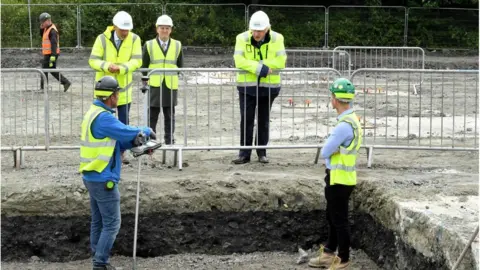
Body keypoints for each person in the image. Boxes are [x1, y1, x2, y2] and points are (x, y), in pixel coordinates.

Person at [79, 76, 156, 270]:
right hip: (103, 177)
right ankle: (100, 263)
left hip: (92, 175)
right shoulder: (104, 117)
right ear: (111, 96)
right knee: (112, 223)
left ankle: (98, 257)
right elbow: (126, 131)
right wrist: (145, 131)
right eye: (118, 93)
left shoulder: (95, 112)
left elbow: (117, 140)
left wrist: (136, 143)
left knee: (98, 221)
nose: (119, 96)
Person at [308, 78, 362, 270]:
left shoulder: (343, 126)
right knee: (333, 216)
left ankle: (343, 259)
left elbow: (325, 151)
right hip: (342, 177)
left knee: (339, 220)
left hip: (339, 179)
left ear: (335, 100)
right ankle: (329, 253)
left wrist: (332, 149)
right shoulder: (352, 120)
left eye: (332, 96)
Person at [232, 10, 287, 164]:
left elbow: (282, 61)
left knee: (263, 120)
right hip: (247, 87)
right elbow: (238, 60)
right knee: (246, 120)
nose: (256, 34)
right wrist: (258, 68)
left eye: (260, 31)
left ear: (267, 29)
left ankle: (262, 152)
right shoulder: (242, 38)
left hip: (269, 87)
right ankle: (244, 154)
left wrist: (265, 66)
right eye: (254, 30)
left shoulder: (277, 38)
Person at [88, 10, 142, 164]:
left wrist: (122, 68)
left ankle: (121, 153)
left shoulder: (135, 39)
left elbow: (137, 61)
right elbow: (93, 60)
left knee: (123, 125)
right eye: (122, 30)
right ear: (114, 26)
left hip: (123, 92)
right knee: (103, 123)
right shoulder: (102, 39)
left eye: (127, 30)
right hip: (104, 93)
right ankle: (104, 152)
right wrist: (106, 66)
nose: (125, 32)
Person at [141, 15, 183, 145]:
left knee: (169, 115)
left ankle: (169, 140)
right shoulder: (149, 45)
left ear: (171, 30)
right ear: (157, 29)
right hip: (154, 83)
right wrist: (144, 81)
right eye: (162, 28)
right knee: (152, 114)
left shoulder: (177, 45)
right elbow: (144, 65)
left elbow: (180, 65)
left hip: (170, 84)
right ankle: (150, 140)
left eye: (167, 28)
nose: (164, 30)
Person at [38, 12, 71, 92]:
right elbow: (42, 36)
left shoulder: (52, 30)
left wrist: (53, 56)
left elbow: (54, 44)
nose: (42, 23)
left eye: (43, 22)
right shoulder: (47, 28)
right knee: (52, 70)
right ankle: (66, 82)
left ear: (48, 21)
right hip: (49, 53)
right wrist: (42, 28)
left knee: (44, 70)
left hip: (51, 54)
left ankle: (44, 88)